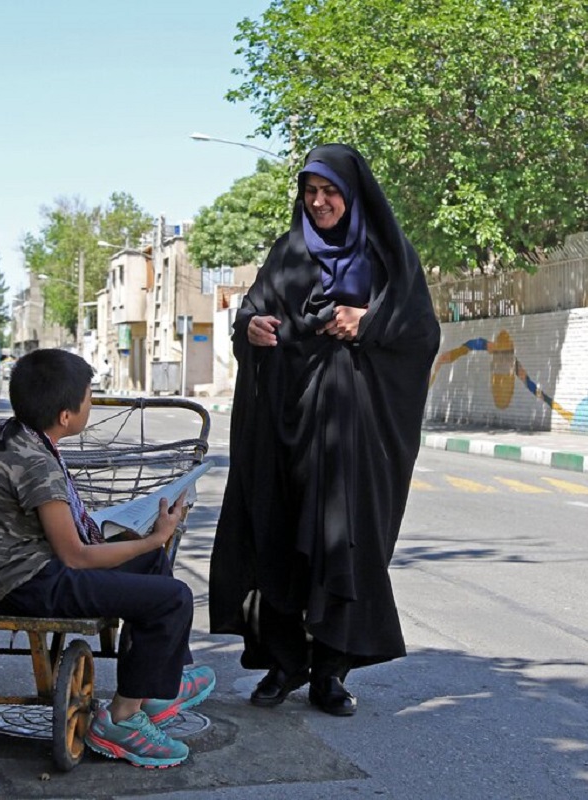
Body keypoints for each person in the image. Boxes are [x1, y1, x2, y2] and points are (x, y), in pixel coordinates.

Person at [209, 143, 441, 717]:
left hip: (355, 433)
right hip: (287, 424)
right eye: (310, 192)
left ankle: (330, 674)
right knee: (281, 538)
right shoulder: (287, 252)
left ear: (352, 193)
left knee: (343, 543)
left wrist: (368, 320)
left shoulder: (387, 254)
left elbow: (420, 330)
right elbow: (253, 314)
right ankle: (286, 663)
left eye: (329, 191)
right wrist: (253, 328)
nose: (318, 202)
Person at [0, 348, 214, 768]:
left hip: (22, 567)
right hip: (22, 583)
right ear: (66, 416)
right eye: (89, 397)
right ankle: (122, 721)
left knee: (149, 569)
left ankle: (162, 685)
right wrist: (154, 539)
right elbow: (75, 557)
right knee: (174, 596)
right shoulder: (38, 465)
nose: (92, 403)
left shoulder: (18, 438)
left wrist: (140, 544)